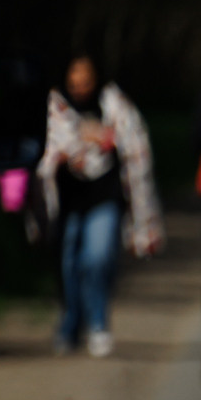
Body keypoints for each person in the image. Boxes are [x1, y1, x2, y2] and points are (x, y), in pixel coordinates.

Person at [39, 57, 162, 356]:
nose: (80, 90)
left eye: (86, 83)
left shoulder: (115, 106)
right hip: (66, 202)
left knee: (97, 257)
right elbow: (44, 153)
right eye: (74, 84)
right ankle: (71, 323)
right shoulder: (55, 110)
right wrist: (69, 154)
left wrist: (109, 140)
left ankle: (98, 323)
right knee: (69, 264)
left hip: (104, 197)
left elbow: (136, 150)